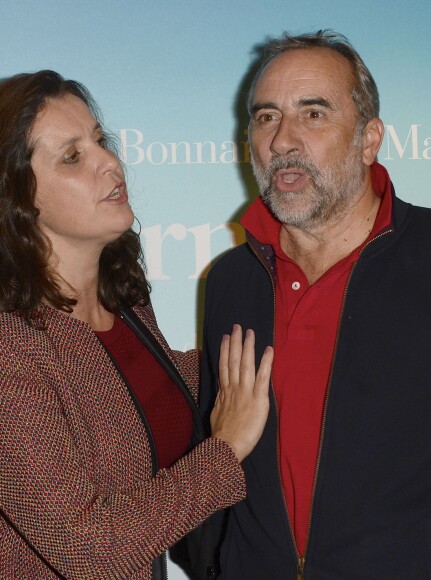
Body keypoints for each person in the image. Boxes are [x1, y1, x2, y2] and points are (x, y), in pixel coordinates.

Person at [196, 31, 431, 579]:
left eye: (313, 114)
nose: (282, 139)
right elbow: (219, 466)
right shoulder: (232, 280)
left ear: (369, 138)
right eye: (265, 117)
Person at [0, 70, 273, 580]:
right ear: (18, 198)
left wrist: (277, 340)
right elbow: (91, 552)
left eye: (100, 142)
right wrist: (225, 450)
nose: (109, 162)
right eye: (73, 156)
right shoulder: (10, 350)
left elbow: (142, 396)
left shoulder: (122, 299)